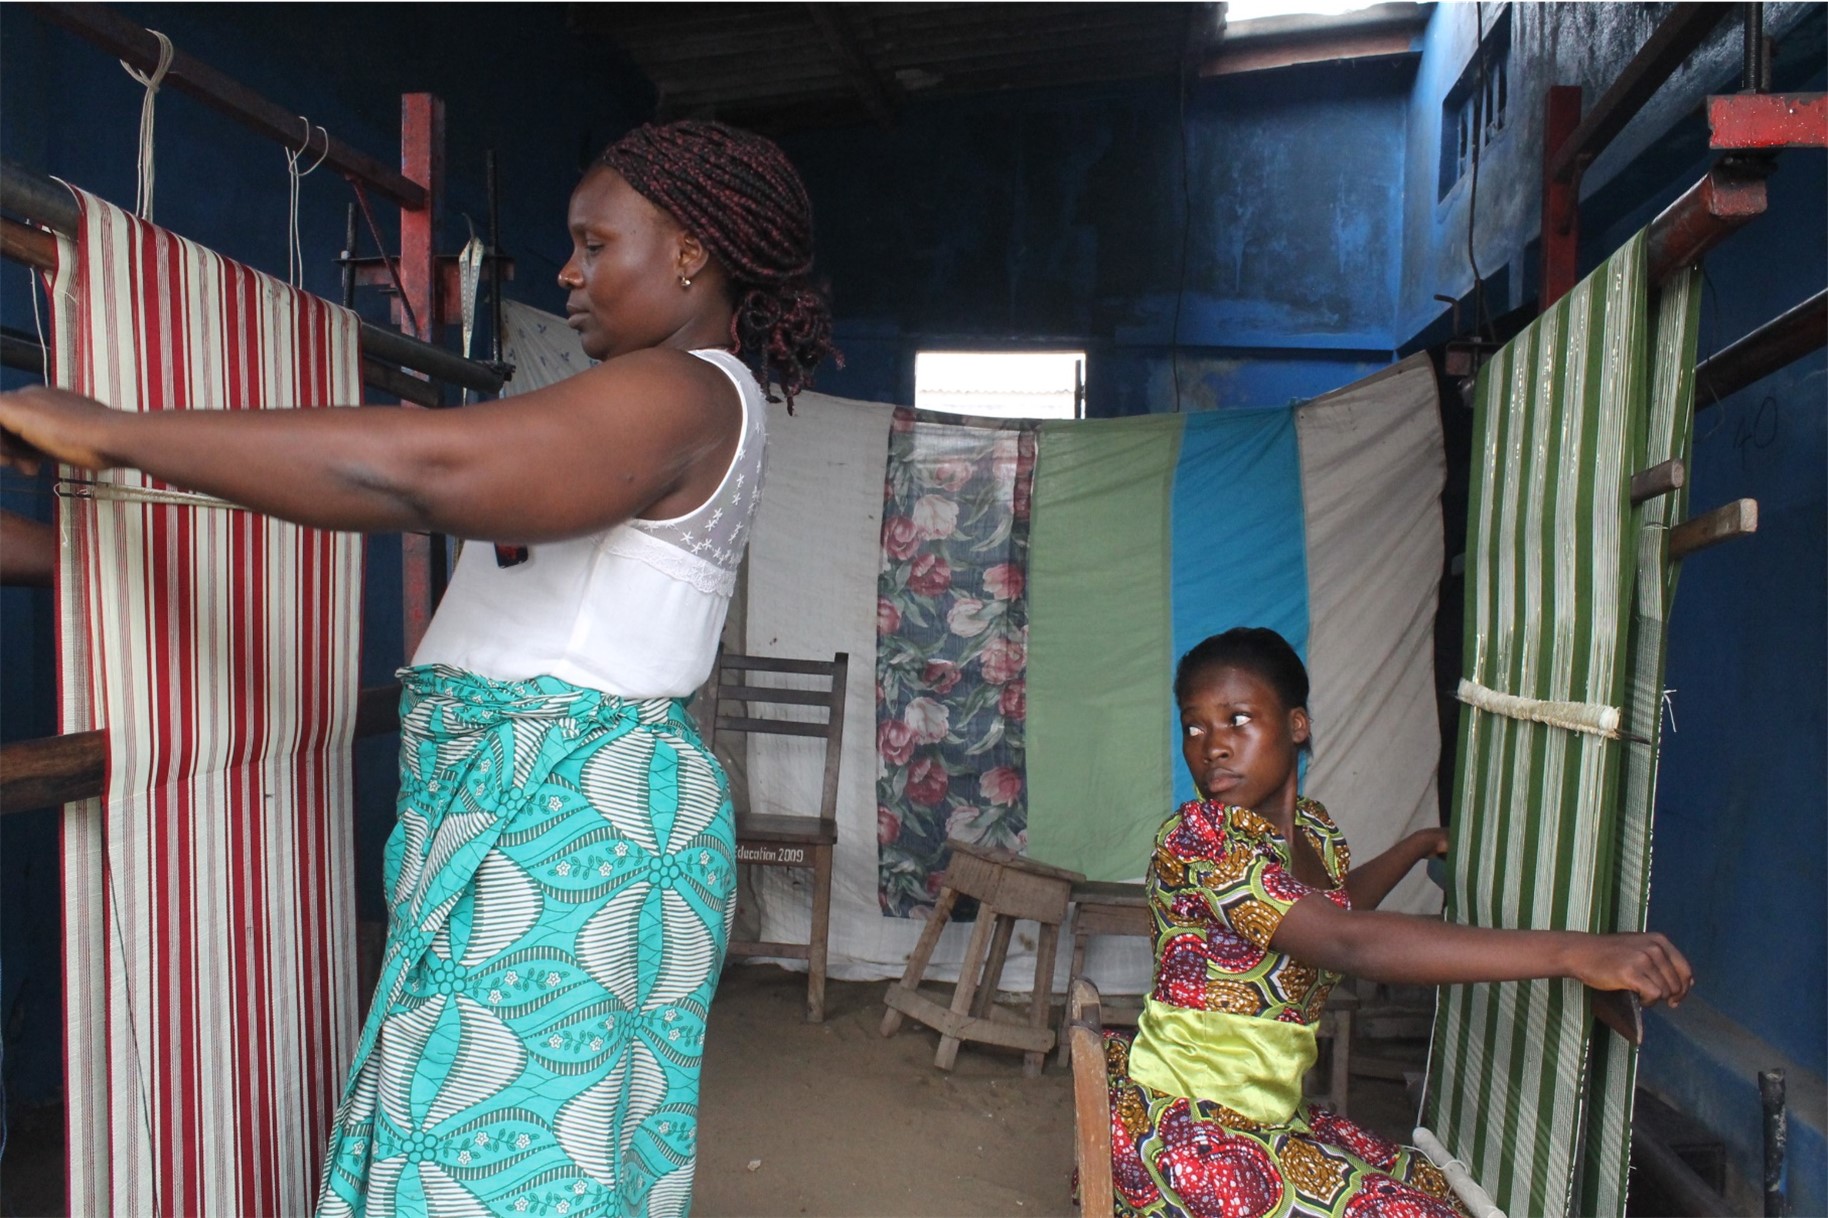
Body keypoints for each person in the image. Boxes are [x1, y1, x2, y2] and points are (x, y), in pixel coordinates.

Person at [0, 119, 836, 1218]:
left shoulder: (682, 391)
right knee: (487, 1153)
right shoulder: (645, 404)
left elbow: (424, 475)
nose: (568, 272)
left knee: (491, 1168)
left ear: (691, 253)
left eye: (593, 243)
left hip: (572, 825)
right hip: (533, 807)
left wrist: (114, 429)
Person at [1102, 627, 1693, 1218]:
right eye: (1195, 726)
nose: (1213, 747)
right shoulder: (1201, 841)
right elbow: (1346, 942)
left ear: (1296, 725)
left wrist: (1413, 847)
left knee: (1438, 1189)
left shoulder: (1311, 834)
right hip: (1189, 1131)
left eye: (1237, 719)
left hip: (1262, 1116)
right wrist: (1574, 953)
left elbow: (1334, 909)